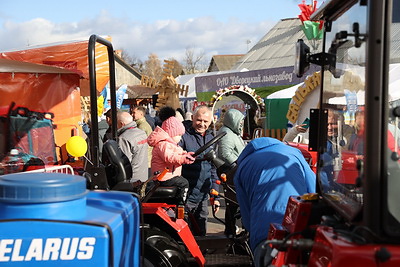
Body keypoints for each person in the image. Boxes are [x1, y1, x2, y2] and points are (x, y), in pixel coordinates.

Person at [233, 137, 316, 266]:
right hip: (297, 225)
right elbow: (314, 189)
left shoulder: (243, 166)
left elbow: (246, 213)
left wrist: (253, 232)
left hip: (265, 233)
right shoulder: (293, 154)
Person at [179, 105, 221, 236]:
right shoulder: (183, 136)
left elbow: (213, 168)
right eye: (199, 120)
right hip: (186, 194)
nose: (202, 124)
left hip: (203, 194)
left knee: (201, 231)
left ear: (211, 122)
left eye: (205, 121)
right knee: (185, 233)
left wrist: (215, 195)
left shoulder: (211, 139)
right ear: (192, 118)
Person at [147, 116, 195, 204]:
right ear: (171, 134)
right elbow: (170, 157)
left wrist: (186, 154)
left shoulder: (171, 144)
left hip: (169, 176)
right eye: (179, 135)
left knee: (182, 181)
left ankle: (174, 204)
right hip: (163, 177)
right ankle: (180, 204)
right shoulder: (163, 145)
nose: (180, 138)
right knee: (184, 183)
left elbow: (178, 152)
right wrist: (183, 159)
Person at [216, 108, 246, 237]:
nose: (241, 125)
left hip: (235, 171)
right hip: (232, 172)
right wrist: (237, 165)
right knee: (233, 202)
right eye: (239, 122)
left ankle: (232, 230)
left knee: (234, 203)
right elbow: (225, 153)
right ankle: (230, 231)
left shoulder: (233, 133)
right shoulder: (227, 134)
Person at [116, 111, 149, 182]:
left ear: (121, 124)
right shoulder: (141, 133)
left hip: (132, 179)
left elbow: (125, 162)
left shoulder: (124, 138)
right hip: (144, 175)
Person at [132, 105, 153, 172]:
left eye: (134, 113)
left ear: (141, 114)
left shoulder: (141, 126)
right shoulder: (143, 124)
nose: (132, 115)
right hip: (147, 159)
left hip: (145, 160)